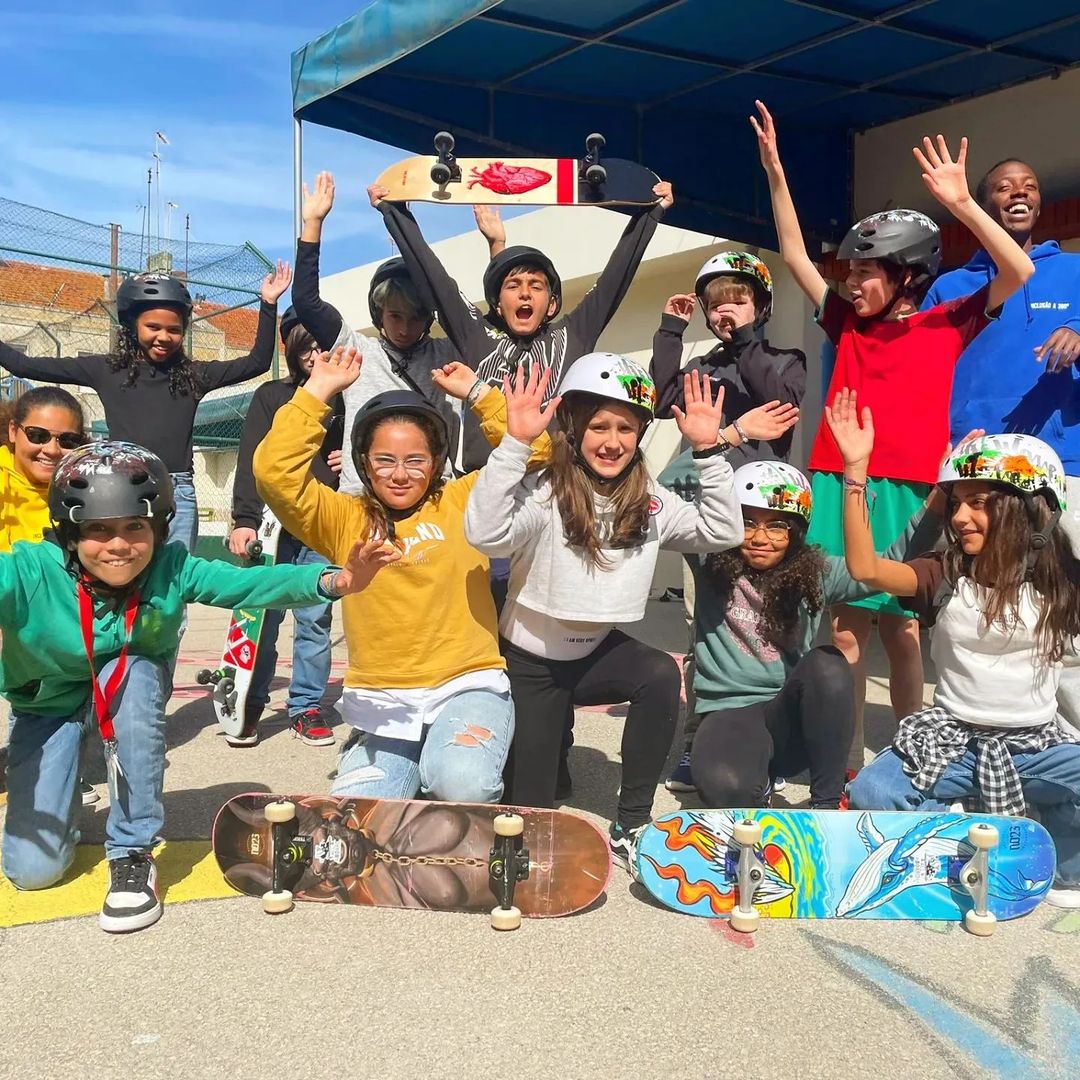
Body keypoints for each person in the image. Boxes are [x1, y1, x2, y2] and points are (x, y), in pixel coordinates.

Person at [751, 99, 1035, 773]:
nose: (851, 282)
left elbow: (1017, 272)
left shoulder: (947, 322)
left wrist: (964, 205)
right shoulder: (845, 322)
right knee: (845, 627)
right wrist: (776, 175)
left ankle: (911, 758)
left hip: (913, 490)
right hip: (838, 482)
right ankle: (843, 760)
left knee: (905, 631)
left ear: (907, 275)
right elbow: (793, 253)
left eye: (865, 271)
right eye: (850, 271)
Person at [0, 440, 386, 933]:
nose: (118, 545)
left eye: (134, 527)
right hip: (47, 702)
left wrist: (336, 581)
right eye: (98, 529)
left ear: (158, 529)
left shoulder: (170, 565)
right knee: (34, 872)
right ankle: (62, 801)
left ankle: (133, 852)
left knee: (137, 674)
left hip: (126, 687)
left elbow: (247, 585)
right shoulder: (30, 571)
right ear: (70, 534)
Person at [464, 353, 796, 862]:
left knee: (659, 674)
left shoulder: (651, 499)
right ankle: (551, 752)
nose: (613, 441)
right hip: (531, 666)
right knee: (533, 812)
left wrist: (709, 450)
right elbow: (485, 535)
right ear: (574, 426)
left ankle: (632, 822)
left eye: (626, 428)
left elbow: (722, 531)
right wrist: (515, 444)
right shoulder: (546, 490)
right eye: (599, 426)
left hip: (594, 654)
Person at [253, 347, 547, 805]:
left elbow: (535, 452)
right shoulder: (342, 517)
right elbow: (274, 475)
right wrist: (317, 392)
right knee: (360, 817)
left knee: (461, 784)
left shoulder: (466, 498)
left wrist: (477, 393)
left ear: (436, 461)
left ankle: (451, 768)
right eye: (384, 460)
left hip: (468, 685)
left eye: (416, 460)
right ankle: (384, 757)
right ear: (363, 463)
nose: (400, 475)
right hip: (384, 702)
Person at [828, 388, 1080, 909]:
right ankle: (970, 827)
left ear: (1027, 511)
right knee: (874, 792)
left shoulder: (1063, 582)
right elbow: (865, 569)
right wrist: (856, 472)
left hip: (1036, 745)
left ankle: (1063, 863)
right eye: (956, 502)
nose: (961, 516)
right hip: (953, 741)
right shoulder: (944, 575)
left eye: (979, 503)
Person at [923, 157, 1080, 736]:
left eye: (1029, 186)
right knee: (975, 607)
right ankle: (980, 732)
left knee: (1065, 607)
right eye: (1005, 187)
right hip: (977, 478)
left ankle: (1069, 746)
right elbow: (925, 374)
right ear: (985, 202)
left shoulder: (1075, 272)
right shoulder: (951, 287)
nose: (1019, 194)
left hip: (1062, 469)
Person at [367, 179, 674, 470]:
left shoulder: (572, 334)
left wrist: (651, 213)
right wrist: (394, 212)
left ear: (551, 304)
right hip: (486, 482)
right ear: (498, 305)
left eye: (536, 286)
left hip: (555, 483)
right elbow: (432, 275)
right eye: (513, 286)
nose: (525, 293)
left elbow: (616, 276)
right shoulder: (475, 335)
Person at [688, 460, 944, 810]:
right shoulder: (709, 561)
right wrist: (720, 442)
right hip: (729, 714)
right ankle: (755, 780)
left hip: (791, 717)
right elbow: (669, 487)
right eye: (747, 523)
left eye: (776, 526)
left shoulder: (814, 573)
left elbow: (895, 559)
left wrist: (940, 498)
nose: (760, 538)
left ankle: (825, 804)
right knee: (728, 793)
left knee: (829, 663)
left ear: (795, 531)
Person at [651, 250, 807, 792]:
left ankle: (774, 744)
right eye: (715, 303)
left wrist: (745, 339)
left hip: (766, 518)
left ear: (761, 306)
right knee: (706, 630)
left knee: (772, 629)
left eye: (738, 299)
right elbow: (661, 401)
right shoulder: (703, 366)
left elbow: (780, 398)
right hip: (708, 512)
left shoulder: (784, 359)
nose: (725, 310)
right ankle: (699, 739)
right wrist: (670, 333)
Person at [0, 264, 293, 550]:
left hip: (177, 492)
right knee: (126, 571)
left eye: (174, 330)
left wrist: (268, 304)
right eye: (153, 327)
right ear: (132, 326)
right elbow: (23, 364)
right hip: (123, 486)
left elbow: (256, 363)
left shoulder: (193, 376)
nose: (163, 337)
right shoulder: (105, 370)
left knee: (174, 576)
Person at [291, 172, 472, 491]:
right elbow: (306, 301)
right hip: (363, 498)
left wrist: (400, 218)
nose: (404, 328)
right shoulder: (356, 351)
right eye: (395, 316)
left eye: (415, 317)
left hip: (433, 496)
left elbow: (447, 292)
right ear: (379, 314)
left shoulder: (448, 352)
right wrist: (313, 224)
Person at [226, 308, 345, 747]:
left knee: (314, 618)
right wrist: (244, 520)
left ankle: (306, 706)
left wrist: (353, 458)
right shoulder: (272, 396)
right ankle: (248, 701)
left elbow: (373, 444)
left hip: (319, 524)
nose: (315, 356)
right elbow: (250, 460)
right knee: (262, 617)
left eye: (322, 346)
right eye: (306, 348)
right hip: (272, 527)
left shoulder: (346, 397)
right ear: (290, 350)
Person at [1, 386, 86, 551]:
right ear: (13, 431)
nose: (52, 450)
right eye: (37, 436)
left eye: (68, 440)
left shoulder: (87, 493)